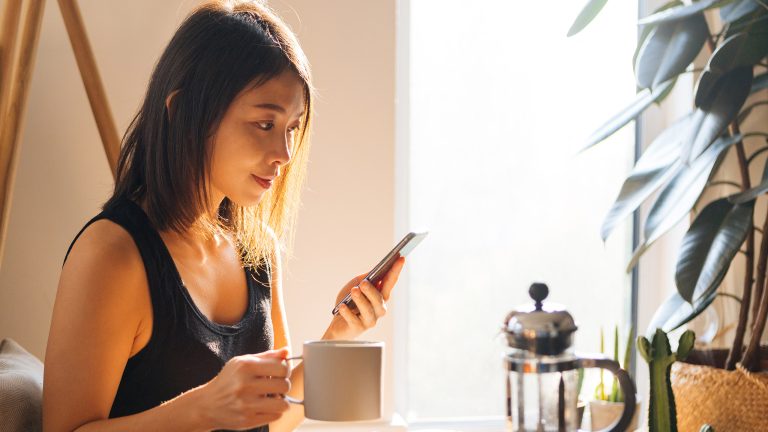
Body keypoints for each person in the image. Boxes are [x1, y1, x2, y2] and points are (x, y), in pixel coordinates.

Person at [42, 1, 404, 431]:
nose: (284, 155)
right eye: (265, 124)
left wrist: (338, 335)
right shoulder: (112, 255)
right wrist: (203, 408)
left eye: (292, 128)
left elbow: (273, 415)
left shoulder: (257, 248)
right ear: (184, 115)